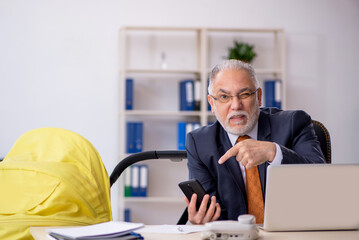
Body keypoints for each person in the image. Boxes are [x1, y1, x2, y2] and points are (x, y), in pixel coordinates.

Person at [184, 59, 325, 225]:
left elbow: (322, 183)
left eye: (244, 94)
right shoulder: (199, 143)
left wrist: (274, 152)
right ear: (212, 104)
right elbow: (213, 213)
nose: (236, 105)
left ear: (258, 96)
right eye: (224, 97)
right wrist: (203, 220)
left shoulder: (294, 123)